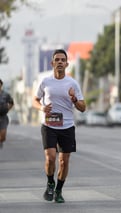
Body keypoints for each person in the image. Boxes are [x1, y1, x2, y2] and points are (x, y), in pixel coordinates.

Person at [33, 49, 86, 203]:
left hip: (67, 127)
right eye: (57, 60)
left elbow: (83, 108)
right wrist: (41, 108)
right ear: (52, 63)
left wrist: (74, 99)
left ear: (67, 64)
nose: (60, 62)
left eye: (63, 60)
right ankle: (50, 182)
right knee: (50, 158)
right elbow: (35, 100)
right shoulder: (45, 82)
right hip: (49, 125)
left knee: (64, 161)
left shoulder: (72, 83)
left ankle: (59, 190)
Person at [0, 79, 14, 149]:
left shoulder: (5, 94)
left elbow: (11, 102)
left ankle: (0, 141)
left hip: (3, 117)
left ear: (1, 85)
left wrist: (8, 109)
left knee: (3, 137)